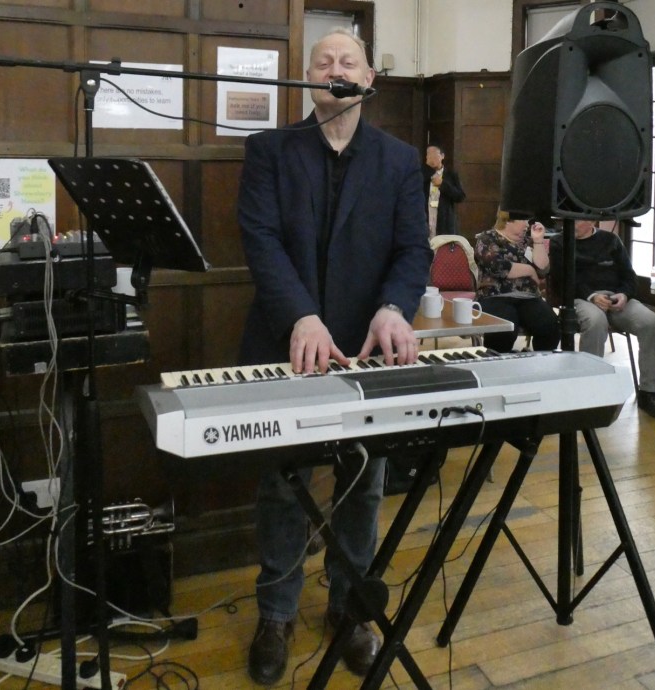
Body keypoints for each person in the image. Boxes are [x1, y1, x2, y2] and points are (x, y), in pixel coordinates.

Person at [237, 28, 433, 686]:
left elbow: (412, 250)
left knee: (364, 483)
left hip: (365, 348)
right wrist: (302, 314)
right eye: (323, 61)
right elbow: (261, 241)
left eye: (348, 60)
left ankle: (351, 610)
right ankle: (275, 614)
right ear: (307, 77)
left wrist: (393, 308)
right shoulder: (268, 151)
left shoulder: (400, 160)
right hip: (286, 341)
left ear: (368, 78)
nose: (334, 68)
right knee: (283, 486)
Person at [549, 220, 655, 419]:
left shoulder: (611, 240)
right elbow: (562, 279)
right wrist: (592, 296)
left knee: (651, 322)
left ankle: (649, 392)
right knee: (596, 321)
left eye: (577, 220)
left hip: (615, 297)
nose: (570, 224)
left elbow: (629, 276)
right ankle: (590, 389)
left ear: (590, 222)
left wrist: (624, 294)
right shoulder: (560, 242)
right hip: (581, 297)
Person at [473, 209, 559, 353]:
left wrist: (538, 241)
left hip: (528, 297)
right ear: (508, 220)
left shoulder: (528, 241)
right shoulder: (487, 238)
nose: (527, 224)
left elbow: (543, 270)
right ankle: (498, 363)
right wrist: (529, 270)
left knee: (550, 324)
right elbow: (498, 267)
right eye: (523, 220)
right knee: (505, 327)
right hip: (494, 296)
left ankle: (542, 362)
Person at [423, 142, 466, 237]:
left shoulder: (451, 174)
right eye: (428, 154)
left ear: (442, 156)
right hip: (425, 220)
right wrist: (428, 171)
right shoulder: (422, 174)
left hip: (444, 222)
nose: (431, 157)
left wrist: (443, 184)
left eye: (434, 154)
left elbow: (460, 196)